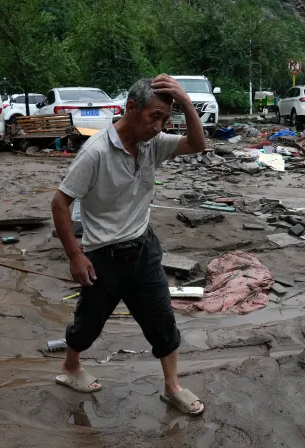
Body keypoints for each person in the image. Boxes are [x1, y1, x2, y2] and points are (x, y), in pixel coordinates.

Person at [50, 74, 207, 416]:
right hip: (102, 257)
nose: (159, 126)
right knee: (88, 323)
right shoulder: (96, 152)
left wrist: (186, 103)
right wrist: (76, 256)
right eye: (154, 117)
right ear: (131, 108)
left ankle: (172, 387)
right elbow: (60, 202)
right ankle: (70, 367)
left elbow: (198, 145)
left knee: (162, 321)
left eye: (166, 119)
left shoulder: (154, 144)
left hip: (143, 249)